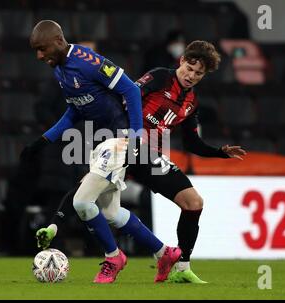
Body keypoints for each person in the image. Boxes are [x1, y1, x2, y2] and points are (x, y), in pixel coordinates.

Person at [37, 40, 247, 283]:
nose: (191, 76)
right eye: (189, 68)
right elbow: (126, 97)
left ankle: (181, 267)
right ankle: (118, 254)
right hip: (126, 145)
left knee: (193, 203)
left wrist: (220, 152)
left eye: (198, 73)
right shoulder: (159, 78)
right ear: (182, 61)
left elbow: (191, 143)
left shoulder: (191, 103)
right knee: (93, 199)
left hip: (148, 157)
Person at [21, 20, 181, 284]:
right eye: (35, 51)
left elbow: (129, 88)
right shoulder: (60, 70)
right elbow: (74, 111)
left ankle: (113, 257)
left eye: (42, 49)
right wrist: (43, 141)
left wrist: (136, 133)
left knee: (82, 202)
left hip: (119, 138)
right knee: (110, 213)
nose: (39, 56)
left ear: (59, 41)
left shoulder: (88, 61)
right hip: (101, 142)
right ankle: (164, 253)